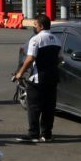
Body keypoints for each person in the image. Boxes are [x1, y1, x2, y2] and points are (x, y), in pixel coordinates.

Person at [13, 14, 62, 143]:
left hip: (38, 78)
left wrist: (20, 73)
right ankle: (47, 134)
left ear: (40, 26)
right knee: (49, 106)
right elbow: (60, 58)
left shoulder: (36, 39)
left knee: (33, 106)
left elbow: (30, 58)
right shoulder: (57, 39)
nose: (34, 27)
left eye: (35, 25)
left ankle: (33, 134)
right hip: (53, 77)